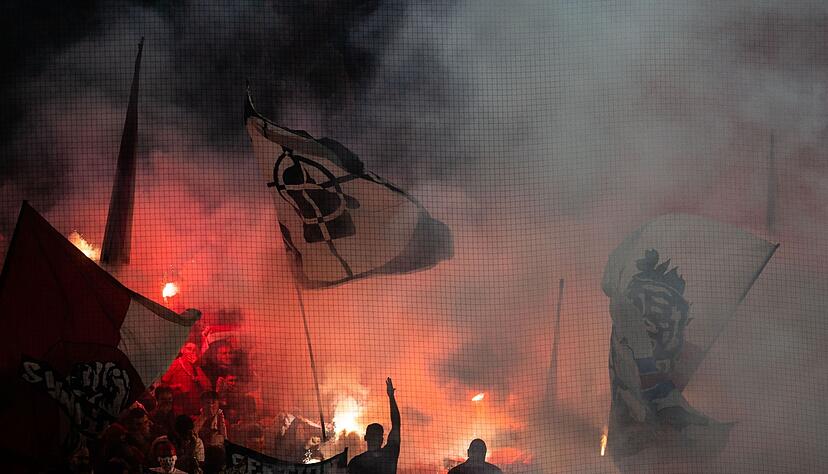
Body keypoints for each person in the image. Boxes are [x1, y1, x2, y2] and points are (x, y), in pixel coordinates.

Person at [347, 378, 400, 474]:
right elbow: (396, 425)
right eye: (375, 435)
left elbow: (396, 425)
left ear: (365, 437)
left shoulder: (356, 462)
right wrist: (391, 397)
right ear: (382, 439)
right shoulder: (389, 454)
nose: (375, 438)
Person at [161, 342, 212, 417]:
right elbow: (162, 386)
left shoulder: (197, 367)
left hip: (195, 410)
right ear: (182, 350)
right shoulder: (174, 364)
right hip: (178, 409)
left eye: (195, 350)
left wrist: (196, 366)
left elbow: (208, 387)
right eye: (189, 349)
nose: (192, 352)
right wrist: (176, 387)